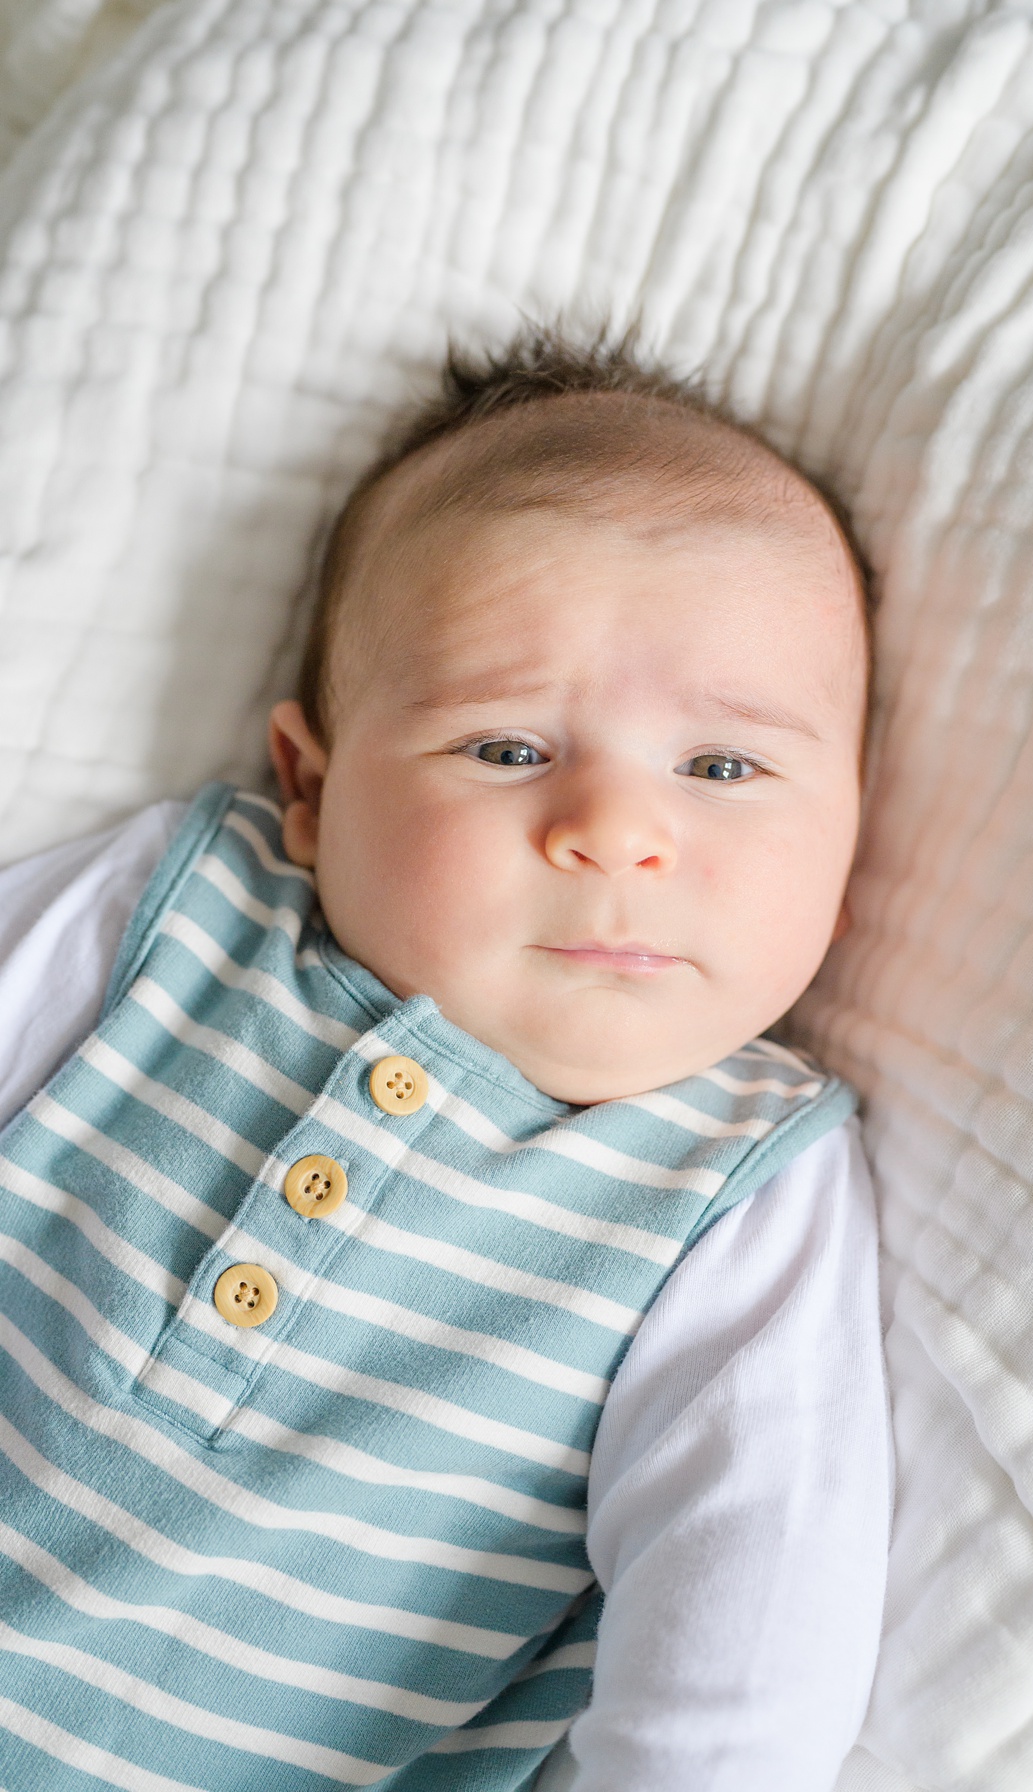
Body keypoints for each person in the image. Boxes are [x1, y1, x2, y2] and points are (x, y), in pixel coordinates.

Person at [0, 335, 888, 1787]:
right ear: (309, 786)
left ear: (852, 853)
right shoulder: (167, 916)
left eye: (722, 770)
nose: (613, 828)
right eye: (504, 748)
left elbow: (749, 1624)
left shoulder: (734, 1189)